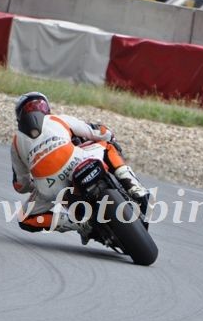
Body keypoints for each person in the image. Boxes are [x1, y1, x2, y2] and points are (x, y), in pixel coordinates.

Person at [10, 91, 149, 239]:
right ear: (46, 108)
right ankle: (134, 186)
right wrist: (110, 135)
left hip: (50, 188)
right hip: (77, 160)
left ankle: (76, 223)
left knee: (25, 218)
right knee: (107, 146)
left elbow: (20, 185)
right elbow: (97, 132)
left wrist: (37, 185)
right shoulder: (57, 119)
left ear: (19, 116)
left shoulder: (16, 144)